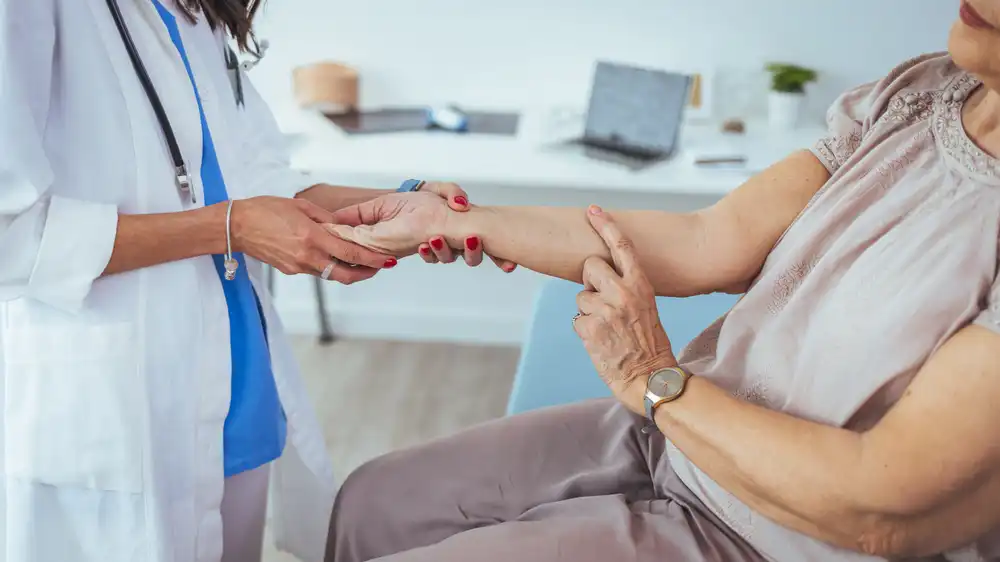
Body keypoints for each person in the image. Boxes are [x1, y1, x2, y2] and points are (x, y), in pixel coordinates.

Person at [324, 3, 1000, 561]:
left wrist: (653, 376)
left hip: (780, 538)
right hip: (681, 436)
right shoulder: (921, 92)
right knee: (373, 502)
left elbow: (874, 505)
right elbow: (709, 241)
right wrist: (448, 219)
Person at [0, 1, 510, 561]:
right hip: (123, 415)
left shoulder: (193, 10)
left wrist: (395, 205)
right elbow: (12, 234)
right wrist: (231, 227)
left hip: (239, 393)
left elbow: (254, 175)